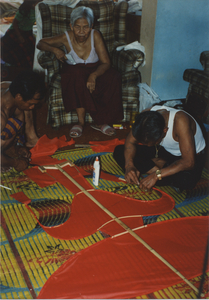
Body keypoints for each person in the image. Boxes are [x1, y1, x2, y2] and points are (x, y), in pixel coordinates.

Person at [37, 6, 123, 138]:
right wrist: (55, 50)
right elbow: (40, 43)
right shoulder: (66, 37)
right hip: (74, 71)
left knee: (114, 76)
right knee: (77, 74)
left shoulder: (95, 35)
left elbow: (106, 63)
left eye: (86, 27)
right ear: (71, 26)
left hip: (95, 69)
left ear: (91, 26)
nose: (81, 32)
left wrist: (93, 75)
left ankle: (101, 122)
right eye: (77, 27)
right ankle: (80, 123)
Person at [113, 105, 206, 192]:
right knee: (119, 151)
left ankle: (157, 168)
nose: (148, 146)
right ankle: (161, 167)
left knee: (185, 182)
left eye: (152, 142)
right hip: (163, 149)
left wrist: (156, 175)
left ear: (165, 131)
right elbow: (130, 141)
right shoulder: (145, 119)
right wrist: (129, 165)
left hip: (189, 156)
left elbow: (189, 162)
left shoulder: (180, 121)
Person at [1, 70, 46, 173]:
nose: (33, 107)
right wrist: (15, 163)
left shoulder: (9, 88)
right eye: (31, 103)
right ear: (19, 97)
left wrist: (18, 146)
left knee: (21, 113)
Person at [1, 0, 42, 68]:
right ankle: (13, 68)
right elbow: (15, 23)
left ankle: (26, 68)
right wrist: (19, 36)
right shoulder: (24, 10)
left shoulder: (37, 10)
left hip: (27, 32)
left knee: (30, 52)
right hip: (16, 32)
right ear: (32, 4)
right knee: (14, 52)